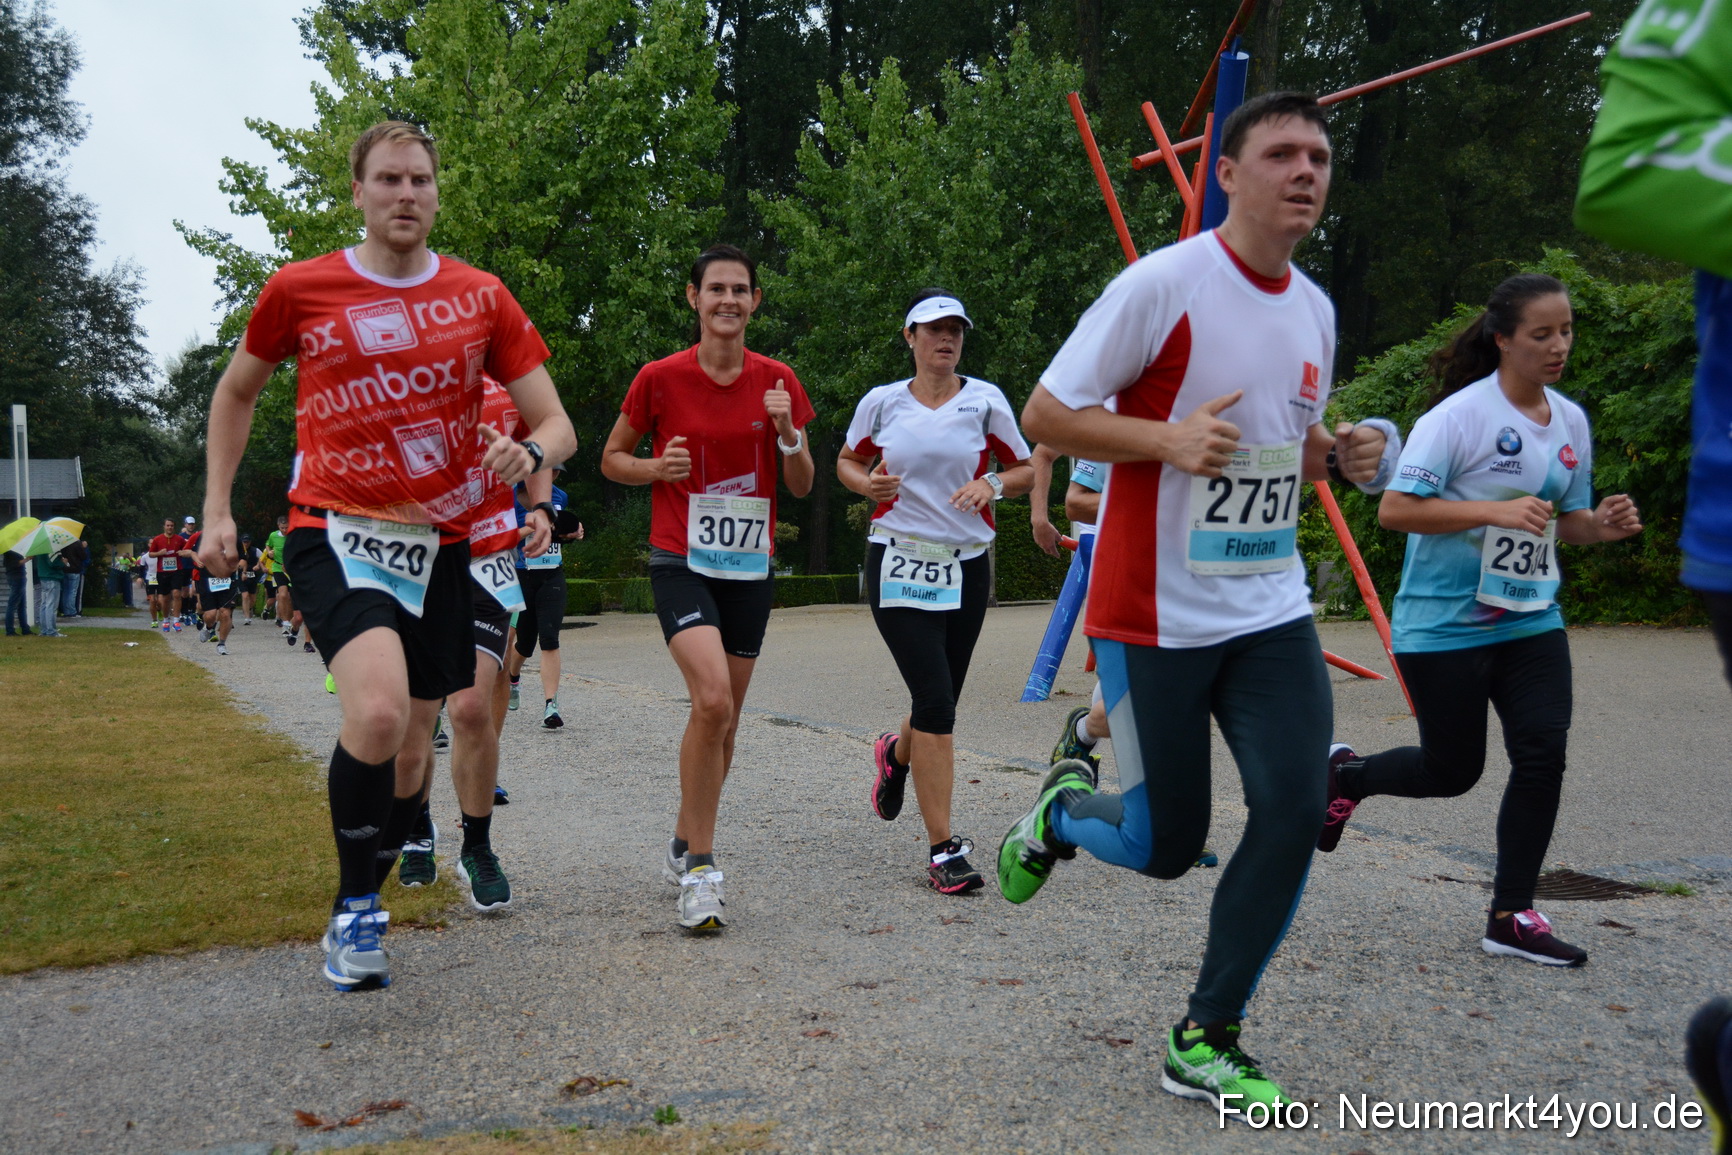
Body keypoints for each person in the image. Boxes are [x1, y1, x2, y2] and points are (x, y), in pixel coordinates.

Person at [999, 92, 1400, 1115]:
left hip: (1267, 608)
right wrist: (1163, 440)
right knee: (1166, 845)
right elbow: (1047, 412)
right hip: (1154, 614)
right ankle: (1061, 811)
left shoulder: (1315, 309)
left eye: (1319, 157)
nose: (1305, 171)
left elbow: (1284, 444)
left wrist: (1340, 456)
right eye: (1282, 153)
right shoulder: (1163, 286)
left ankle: (1205, 1034)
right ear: (1227, 173)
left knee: (1295, 806)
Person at [197, 120, 575, 992]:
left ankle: (374, 875)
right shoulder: (301, 287)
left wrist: (529, 454)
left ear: (437, 194)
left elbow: (555, 421)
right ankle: (354, 908)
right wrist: (217, 508)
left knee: (411, 754)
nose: (406, 194)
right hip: (332, 528)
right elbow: (237, 391)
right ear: (359, 191)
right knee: (373, 713)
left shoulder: (481, 296)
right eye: (389, 179)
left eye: (420, 180)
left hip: (439, 546)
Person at [1318, 274, 1641, 969]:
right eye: (1541, 334)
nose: (1559, 346)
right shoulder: (1457, 418)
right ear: (1502, 339)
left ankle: (1511, 914)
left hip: (1530, 619)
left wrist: (1599, 526)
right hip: (1443, 627)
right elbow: (1396, 509)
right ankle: (1346, 777)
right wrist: (1494, 509)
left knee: (1543, 752)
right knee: (1451, 770)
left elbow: (1567, 521)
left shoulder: (1570, 421)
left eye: (1566, 331)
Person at [600, 243, 815, 932]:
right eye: (716, 288)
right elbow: (611, 459)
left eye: (740, 289)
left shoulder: (778, 380)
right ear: (693, 298)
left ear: (755, 302)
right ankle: (700, 869)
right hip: (681, 561)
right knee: (712, 699)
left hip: (748, 570)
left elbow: (802, 484)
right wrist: (654, 469)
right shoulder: (659, 379)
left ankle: (682, 835)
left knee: (725, 723)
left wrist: (787, 432)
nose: (728, 300)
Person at [838, 290, 1033, 894]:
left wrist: (993, 483)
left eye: (955, 330)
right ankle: (944, 851)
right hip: (897, 560)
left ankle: (896, 754)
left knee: (938, 700)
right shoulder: (881, 402)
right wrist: (864, 486)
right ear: (910, 337)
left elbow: (1025, 470)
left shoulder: (986, 400)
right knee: (937, 701)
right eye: (933, 329)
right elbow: (847, 461)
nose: (946, 339)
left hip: (966, 567)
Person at [393, 375, 555, 911]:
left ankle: (478, 847)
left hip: (485, 557)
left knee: (468, 707)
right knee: (416, 718)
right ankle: (417, 830)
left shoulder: (503, 385)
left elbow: (544, 436)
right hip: (412, 560)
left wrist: (542, 507)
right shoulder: (394, 380)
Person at [504, 474, 583, 728]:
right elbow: (505, 538)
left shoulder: (560, 496)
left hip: (552, 575)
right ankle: (513, 677)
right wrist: (536, 526)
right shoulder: (511, 494)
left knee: (549, 638)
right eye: (548, 468)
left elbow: (558, 532)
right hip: (522, 575)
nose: (554, 474)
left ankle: (551, 705)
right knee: (525, 644)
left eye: (557, 470)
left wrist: (574, 532)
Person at [148, 518, 186, 631]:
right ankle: (165, 620)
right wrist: (159, 553)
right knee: (165, 598)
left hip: (177, 570)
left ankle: (176, 621)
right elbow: (150, 554)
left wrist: (182, 552)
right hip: (162, 572)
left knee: (177, 594)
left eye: (172, 526)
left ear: (174, 527)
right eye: (168, 525)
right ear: (164, 526)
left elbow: (186, 549)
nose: (170, 527)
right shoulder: (157, 539)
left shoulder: (179, 539)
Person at [33, 548, 67, 637]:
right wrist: (63, 562)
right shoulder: (52, 547)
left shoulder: (40, 548)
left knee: (44, 605)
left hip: (43, 577)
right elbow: (53, 562)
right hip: (52, 577)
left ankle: (44, 630)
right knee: (51, 605)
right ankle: (51, 630)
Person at [5, 548, 31, 635]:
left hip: (16, 577)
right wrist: (27, 558)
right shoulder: (11, 552)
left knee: (21, 605)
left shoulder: (9, 552)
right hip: (17, 578)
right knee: (13, 605)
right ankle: (10, 630)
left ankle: (25, 628)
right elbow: (16, 564)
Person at [59, 539, 87, 618]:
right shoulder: (76, 543)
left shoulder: (63, 543)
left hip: (65, 569)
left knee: (65, 591)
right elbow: (83, 556)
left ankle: (65, 610)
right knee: (72, 591)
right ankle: (71, 611)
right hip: (75, 569)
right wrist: (83, 547)